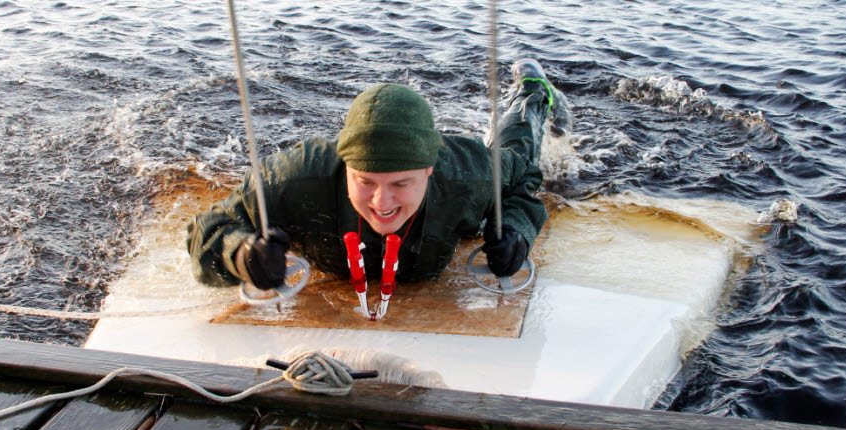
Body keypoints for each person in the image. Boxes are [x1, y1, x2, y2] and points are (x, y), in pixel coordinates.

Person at [187, 58, 572, 290]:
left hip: (477, 165)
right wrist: (241, 254)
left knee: (515, 148)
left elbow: (524, 181)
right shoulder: (295, 178)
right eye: (365, 182)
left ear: (429, 170)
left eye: (401, 184)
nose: (381, 203)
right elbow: (207, 227)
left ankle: (531, 92)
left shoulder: (466, 173)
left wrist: (518, 231)